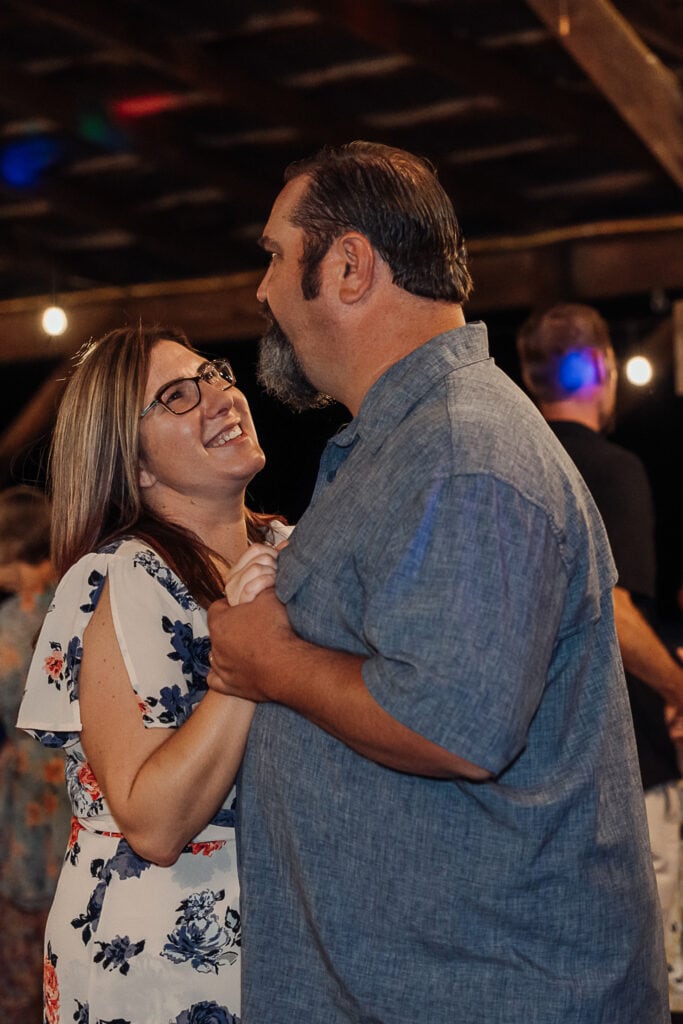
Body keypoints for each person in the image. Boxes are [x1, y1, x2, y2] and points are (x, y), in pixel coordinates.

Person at [206, 141, 669, 1023]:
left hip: (484, 991)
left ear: (348, 265)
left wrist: (270, 662)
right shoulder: (406, 441)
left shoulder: (465, 452)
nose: (260, 292)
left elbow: (449, 724)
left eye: (272, 255)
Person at [17, 325, 287, 1024]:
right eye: (177, 396)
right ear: (133, 465)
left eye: (216, 374)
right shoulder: (124, 577)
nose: (220, 397)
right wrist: (244, 658)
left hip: (286, 942)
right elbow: (154, 822)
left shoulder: (292, 547)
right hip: (158, 965)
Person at [516, 302, 683, 1009]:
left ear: (527, 375)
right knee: (657, 975)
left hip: (535, 773)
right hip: (627, 765)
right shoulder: (611, 470)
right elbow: (612, 611)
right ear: (605, 369)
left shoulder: (512, 468)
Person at [0, 486, 71, 1022]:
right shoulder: (80, 603)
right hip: (78, 782)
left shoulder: (9, 626)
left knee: (24, 927)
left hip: (29, 787)